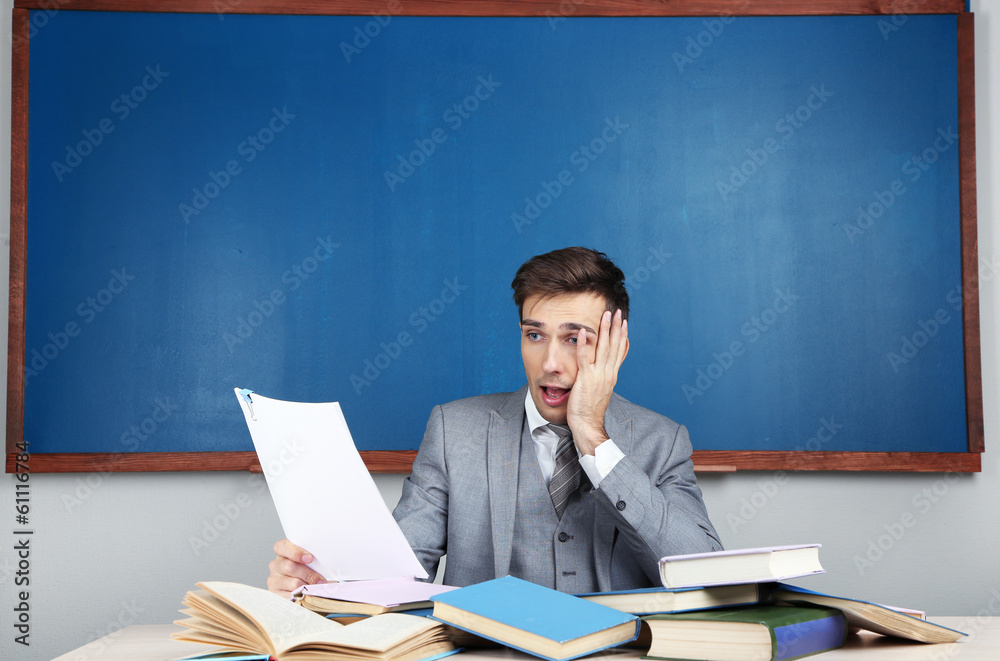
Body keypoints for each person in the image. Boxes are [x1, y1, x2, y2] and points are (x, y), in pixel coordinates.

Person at [268, 247, 721, 597]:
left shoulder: (662, 441)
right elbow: (396, 578)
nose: (551, 363)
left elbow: (706, 574)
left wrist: (593, 438)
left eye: (575, 339)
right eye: (535, 335)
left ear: (614, 346)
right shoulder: (453, 431)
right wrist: (322, 584)